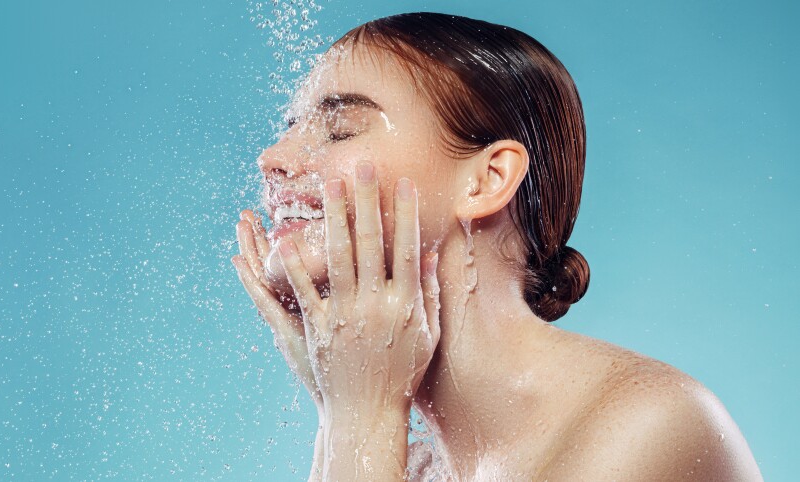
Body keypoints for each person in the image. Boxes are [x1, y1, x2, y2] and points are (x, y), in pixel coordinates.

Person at [232, 12, 761, 481]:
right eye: (291, 128)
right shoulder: (410, 467)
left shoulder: (645, 425)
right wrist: (339, 410)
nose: (271, 157)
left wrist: (361, 417)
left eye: (340, 130)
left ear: (486, 180)